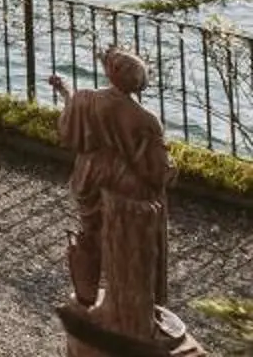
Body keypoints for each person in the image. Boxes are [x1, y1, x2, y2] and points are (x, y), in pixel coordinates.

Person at [49, 46, 196, 354]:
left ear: (111, 73)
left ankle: (87, 298)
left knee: (89, 235)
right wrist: (171, 172)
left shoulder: (88, 100)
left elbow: (70, 128)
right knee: (138, 245)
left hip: (92, 175)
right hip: (129, 188)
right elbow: (155, 169)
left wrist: (64, 90)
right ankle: (140, 307)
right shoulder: (145, 119)